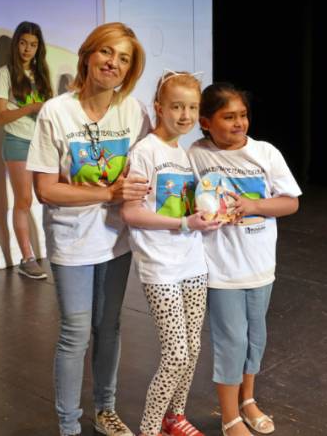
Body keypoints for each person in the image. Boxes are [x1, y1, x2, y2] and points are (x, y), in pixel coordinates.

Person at [27, 22, 149, 436]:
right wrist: (108, 193)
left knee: (109, 328)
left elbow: (146, 171)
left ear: (130, 70)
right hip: (71, 241)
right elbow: (46, 190)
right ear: (88, 55)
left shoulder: (134, 112)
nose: (113, 63)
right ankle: (68, 426)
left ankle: (105, 410)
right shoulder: (56, 111)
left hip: (117, 241)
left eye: (124, 58)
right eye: (106, 52)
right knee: (75, 333)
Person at [187, 83, 301, 436]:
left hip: (260, 265)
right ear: (206, 122)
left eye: (243, 115)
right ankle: (229, 416)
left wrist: (254, 205)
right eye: (228, 117)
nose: (239, 123)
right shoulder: (196, 155)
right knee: (230, 342)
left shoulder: (265, 152)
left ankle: (247, 401)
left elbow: (290, 202)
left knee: (255, 338)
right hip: (221, 269)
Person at [121, 71, 219, 436]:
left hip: (193, 263)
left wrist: (208, 217)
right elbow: (131, 213)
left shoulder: (186, 154)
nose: (185, 115)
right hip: (160, 267)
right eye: (177, 106)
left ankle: (174, 418)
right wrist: (183, 224)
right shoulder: (144, 152)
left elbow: (190, 208)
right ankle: (149, 429)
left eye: (192, 107)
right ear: (159, 108)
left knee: (192, 349)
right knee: (176, 354)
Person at [0, 21, 53, 279]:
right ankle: (27, 258)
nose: (27, 49)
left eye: (33, 44)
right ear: (16, 44)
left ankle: (54, 250)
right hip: (17, 141)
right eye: (23, 43)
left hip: (43, 142)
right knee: (24, 200)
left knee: (48, 195)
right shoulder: (3, 74)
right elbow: (1, 116)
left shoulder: (42, 74)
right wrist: (31, 108)